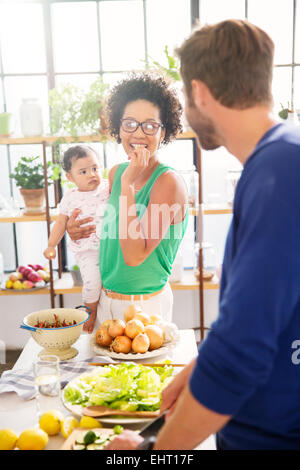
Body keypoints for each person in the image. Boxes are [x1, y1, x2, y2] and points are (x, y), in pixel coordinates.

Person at [105, 19, 300, 450]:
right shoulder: (279, 158)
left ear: (199, 93)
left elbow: (240, 354)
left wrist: (153, 453)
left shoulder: (279, 172)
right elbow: (268, 318)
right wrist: (197, 372)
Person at [67, 73, 188, 326]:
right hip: (105, 300)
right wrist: (77, 229)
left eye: (150, 125)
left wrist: (128, 185)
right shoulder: (116, 173)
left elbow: (135, 255)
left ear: (163, 130)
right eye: (130, 123)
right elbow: (110, 232)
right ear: (118, 127)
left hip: (147, 307)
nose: (139, 134)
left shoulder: (168, 182)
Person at [43, 145, 109, 333]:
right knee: (92, 282)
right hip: (87, 250)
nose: (92, 174)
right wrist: (51, 245)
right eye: (83, 171)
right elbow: (60, 223)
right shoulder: (70, 199)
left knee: (109, 286)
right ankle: (90, 310)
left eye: (95, 168)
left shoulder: (107, 187)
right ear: (70, 177)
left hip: (112, 247)